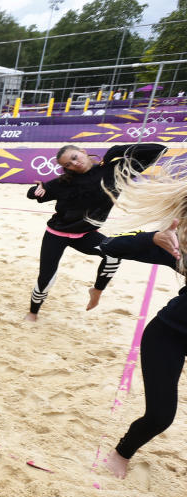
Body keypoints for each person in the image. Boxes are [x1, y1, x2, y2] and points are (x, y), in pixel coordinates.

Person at [94, 166, 186, 479]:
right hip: (170, 335)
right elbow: (108, 245)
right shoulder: (177, 250)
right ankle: (122, 452)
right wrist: (152, 238)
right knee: (161, 415)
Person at [24, 143, 166, 321]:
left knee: (114, 254)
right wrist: (35, 191)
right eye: (67, 164)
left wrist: (117, 150)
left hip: (86, 235)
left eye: (74, 158)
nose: (73, 164)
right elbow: (35, 193)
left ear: (83, 152)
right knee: (46, 276)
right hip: (56, 234)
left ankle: (97, 291)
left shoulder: (116, 170)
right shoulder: (64, 183)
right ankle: (33, 312)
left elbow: (159, 150)